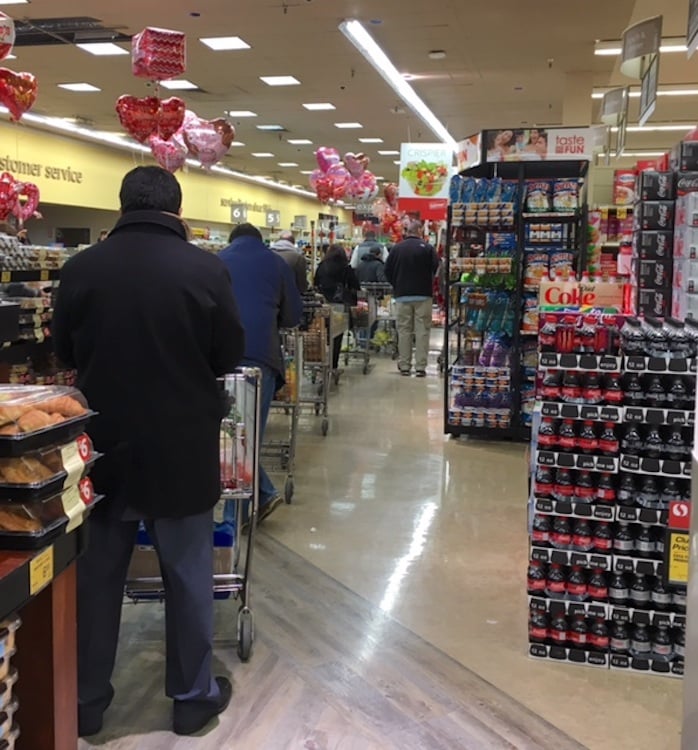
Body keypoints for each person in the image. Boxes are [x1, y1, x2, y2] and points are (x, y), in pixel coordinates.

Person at [52, 166, 245, 737]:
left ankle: (86, 703)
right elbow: (227, 353)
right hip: (182, 445)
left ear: (121, 205)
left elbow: (64, 351)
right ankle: (190, 699)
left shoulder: (81, 269)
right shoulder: (206, 269)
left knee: (96, 577)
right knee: (188, 577)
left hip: (101, 446)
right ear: (177, 210)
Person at [219, 223, 303, 519]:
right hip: (259, 357)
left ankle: (256, 500)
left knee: (231, 434)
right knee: (247, 435)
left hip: (218, 357)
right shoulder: (277, 263)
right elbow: (293, 316)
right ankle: (237, 514)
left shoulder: (216, 260)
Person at [384, 220, 439, 377]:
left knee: (404, 330)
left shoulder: (396, 248)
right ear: (420, 231)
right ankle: (421, 367)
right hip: (423, 295)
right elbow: (436, 269)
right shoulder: (428, 248)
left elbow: (387, 270)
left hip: (402, 295)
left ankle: (405, 365)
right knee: (422, 331)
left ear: (407, 231)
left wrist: (396, 284)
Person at [314, 243, 360, 373]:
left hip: (323, 304)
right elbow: (356, 285)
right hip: (340, 305)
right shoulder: (346, 267)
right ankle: (333, 365)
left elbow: (315, 283)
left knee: (322, 334)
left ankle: (322, 362)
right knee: (337, 336)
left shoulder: (322, 266)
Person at [271, 229, 308, 293]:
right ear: (293, 243)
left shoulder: (268, 254)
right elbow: (302, 285)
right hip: (288, 296)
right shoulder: (298, 258)